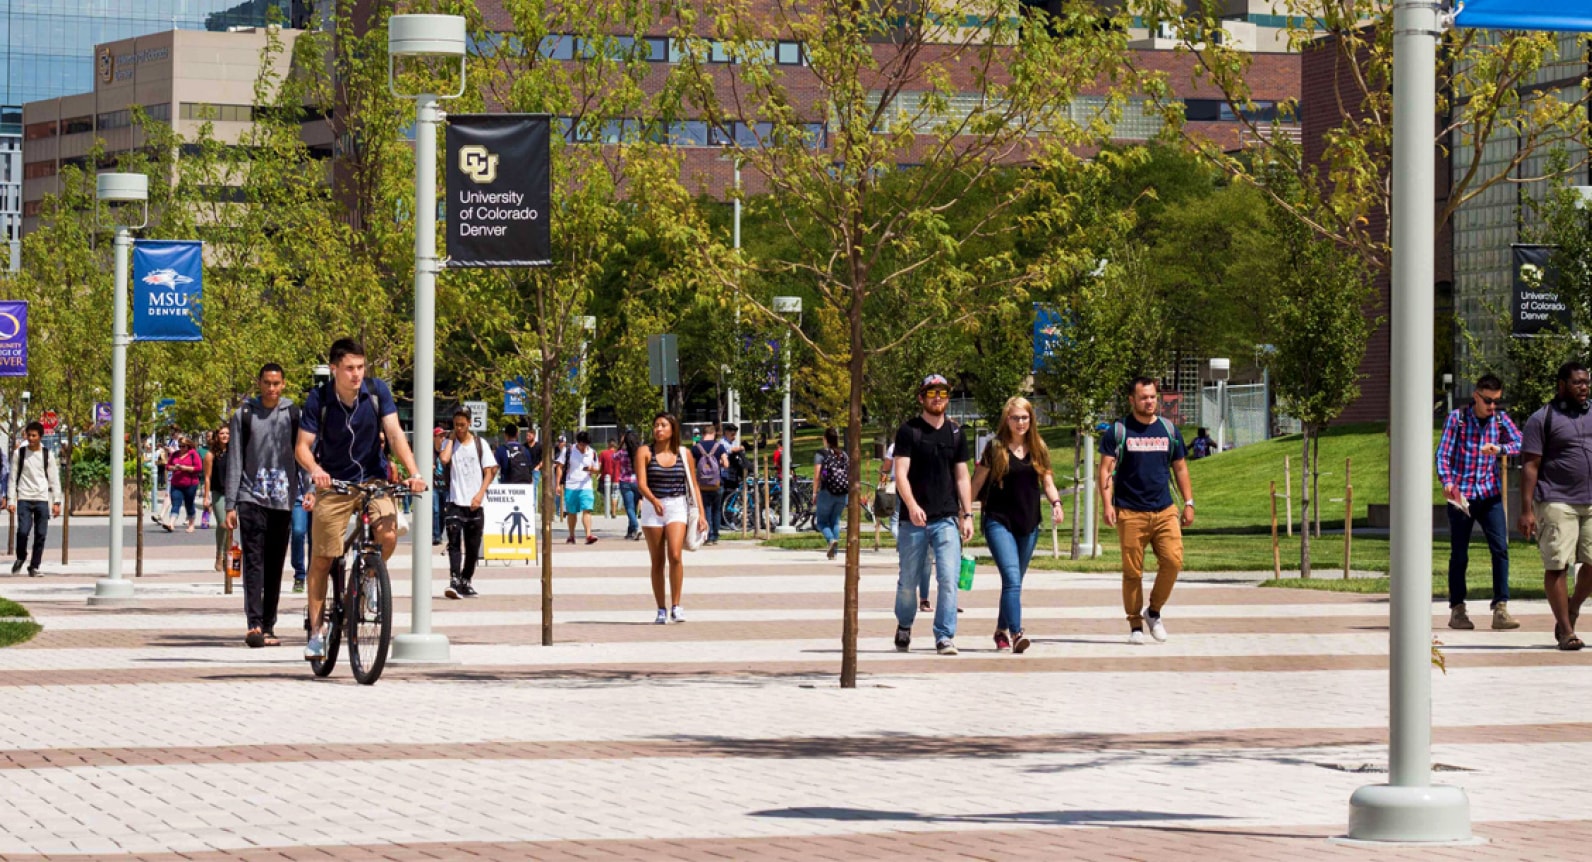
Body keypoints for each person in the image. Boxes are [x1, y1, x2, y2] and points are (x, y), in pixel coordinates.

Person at [296, 338, 426, 660]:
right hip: (334, 483)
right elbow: (302, 447)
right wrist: (315, 470)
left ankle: (368, 578)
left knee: (389, 533)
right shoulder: (319, 399)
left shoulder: (377, 392)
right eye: (350, 368)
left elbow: (395, 435)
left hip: (373, 478)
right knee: (323, 558)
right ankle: (316, 631)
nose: (357, 374)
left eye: (361, 367)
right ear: (334, 369)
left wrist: (415, 473)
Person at [1099, 376, 1195, 645]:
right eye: (1144, 397)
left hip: (1164, 510)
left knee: (1173, 561)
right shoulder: (1119, 431)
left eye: (1153, 397)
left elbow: (1180, 468)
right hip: (1130, 512)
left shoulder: (1168, 430)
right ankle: (1135, 625)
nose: (1150, 401)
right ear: (1132, 400)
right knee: (1133, 572)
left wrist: (1189, 502)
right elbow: (1105, 471)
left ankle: (1153, 611)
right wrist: (1107, 505)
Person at [971, 396, 1065, 653]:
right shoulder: (995, 448)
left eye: (1024, 417)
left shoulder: (1038, 448)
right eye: (1015, 418)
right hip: (998, 521)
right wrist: (963, 514)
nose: (1020, 422)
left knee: (1014, 582)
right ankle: (1016, 633)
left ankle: (1001, 630)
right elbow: (977, 484)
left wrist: (1056, 503)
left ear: (1030, 419)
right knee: (1012, 578)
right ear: (1007, 420)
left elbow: (1047, 482)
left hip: (1029, 522)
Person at [891, 374, 973, 656]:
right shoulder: (909, 431)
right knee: (908, 583)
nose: (937, 397)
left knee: (948, 579)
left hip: (946, 518)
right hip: (912, 521)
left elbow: (962, 477)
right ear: (921, 397)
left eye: (942, 392)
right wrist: (912, 505)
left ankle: (944, 636)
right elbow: (900, 473)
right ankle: (904, 624)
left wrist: (968, 513)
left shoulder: (956, 433)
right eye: (931, 392)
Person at [1437, 372, 1522, 631]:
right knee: (1459, 554)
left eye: (1496, 401)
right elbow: (1442, 455)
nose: (1492, 406)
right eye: (1488, 400)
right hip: (1462, 497)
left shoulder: (1499, 420)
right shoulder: (1458, 419)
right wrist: (1448, 483)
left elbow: (1521, 442)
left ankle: (1501, 609)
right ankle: (1458, 609)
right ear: (1476, 396)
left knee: (1500, 549)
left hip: (1489, 494)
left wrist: (1501, 449)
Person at [225, 364, 300, 648]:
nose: (271, 388)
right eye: (267, 383)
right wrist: (230, 504)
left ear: (283, 384)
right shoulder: (244, 414)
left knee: (275, 564)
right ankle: (254, 624)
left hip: (282, 500)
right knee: (254, 563)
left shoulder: (293, 414)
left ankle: (269, 624)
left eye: (276, 383)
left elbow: (301, 453)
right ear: (259, 383)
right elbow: (235, 459)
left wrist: (308, 490)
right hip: (250, 497)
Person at [1519, 361, 1592, 651]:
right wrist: (1526, 510)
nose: (1584, 387)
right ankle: (1565, 630)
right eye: (1577, 382)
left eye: (1586, 381)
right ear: (1562, 385)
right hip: (1556, 501)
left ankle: (1572, 608)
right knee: (1558, 565)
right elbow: (1530, 465)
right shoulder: (1542, 419)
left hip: (1590, 501)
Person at [636, 412, 707, 623]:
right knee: (657, 561)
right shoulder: (645, 452)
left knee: (675, 554)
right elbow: (641, 483)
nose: (658, 429)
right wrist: (654, 501)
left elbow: (694, 485)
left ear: (672, 429)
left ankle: (676, 605)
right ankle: (660, 608)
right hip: (652, 507)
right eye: (656, 425)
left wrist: (701, 514)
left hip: (677, 505)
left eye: (663, 425)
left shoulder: (684, 454)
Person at [440, 407, 497, 599]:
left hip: (475, 502)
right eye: (456, 425)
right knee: (454, 543)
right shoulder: (451, 442)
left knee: (473, 547)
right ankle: (454, 580)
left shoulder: (480, 444)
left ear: (470, 423)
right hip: (455, 501)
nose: (459, 429)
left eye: (463, 425)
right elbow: (444, 459)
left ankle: (466, 580)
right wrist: (450, 438)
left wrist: (480, 494)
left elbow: (490, 471)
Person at [8, 422, 61, 577]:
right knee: (23, 531)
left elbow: (54, 479)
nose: (30, 438)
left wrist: (56, 501)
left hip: (42, 499)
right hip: (24, 497)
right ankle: (21, 556)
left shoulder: (47, 454)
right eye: (28, 435)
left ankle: (34, 566)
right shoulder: (20, 454)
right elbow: (12, 478)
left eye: (34, 435)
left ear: (40, 436)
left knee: (41, 534)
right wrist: (11, 500)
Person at [812, 427, 849, 560]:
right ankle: (834, 552)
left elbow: (817, 475)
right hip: (843, 492)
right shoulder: (843, 455)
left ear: (825, 439)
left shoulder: (821, 454)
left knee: (821, 522)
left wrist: (814, 493)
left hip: (827, 491)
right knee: (835, 522)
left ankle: (830, 540)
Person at [557, 431, 600, 544]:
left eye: (586, 444)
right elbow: (560, 467)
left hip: (586, 485)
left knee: (587, 510)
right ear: (578, 442)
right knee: (572, 512)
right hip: (571, 485)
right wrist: (557, 484)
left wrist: (591, 469)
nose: (584, 447)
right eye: (582, 444)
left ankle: (588, 535)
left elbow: (597, 469)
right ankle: (571, 535)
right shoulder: (568, 450)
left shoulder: (592, 453)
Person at [692, 423, 728, 545]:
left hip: (702, 483)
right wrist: (719, 465)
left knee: (705, 508)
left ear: (702, 434)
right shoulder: (719, 447)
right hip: (717, 483)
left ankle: (707, 535)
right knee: (716, 509)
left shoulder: (697, 448)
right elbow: (726, 464)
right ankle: (715, 535)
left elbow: (692, 465)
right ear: (713, 434)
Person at [204, 424, 232, 572]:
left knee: (231, 525)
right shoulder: (211, 455)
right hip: (218, 493)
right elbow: (207, 478)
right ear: (217, 436)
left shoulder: (235, 453)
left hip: (234, 494)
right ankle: (219, 555)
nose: (225, 436)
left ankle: (229, 555)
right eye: (222, 433)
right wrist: (206, 497)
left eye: (227, 433)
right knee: (223, 524)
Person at [165, 437, 204, 532]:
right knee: (176, 503)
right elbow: (167, 466)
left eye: (183, 446)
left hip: (190, 484)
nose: (181, 448)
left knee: (189, 504)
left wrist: (184, 468)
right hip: (176, 483)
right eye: (180, 446)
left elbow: (198, 468)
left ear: (188, 446)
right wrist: (174, 468)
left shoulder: (193, 454)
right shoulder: (175, 454)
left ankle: (191, 524)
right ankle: (171, 523)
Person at [616, 430, 641, 540]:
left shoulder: (622, 453)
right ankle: (630, 531)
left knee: (629, 508)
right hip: (637, 481)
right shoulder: (639, 453)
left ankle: (635, 527)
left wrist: (621, 444)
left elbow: (613, 456)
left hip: (625, 481)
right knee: (634, 507)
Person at [597, 438, 619, 517]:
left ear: (608, 444)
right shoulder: (618, 454)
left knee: (605, 495)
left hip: (605, 478)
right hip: (616, 478)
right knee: (615, 495)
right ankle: (614, 512)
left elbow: (599, 465)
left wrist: (597, 473)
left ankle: (607, 510)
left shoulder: (603, 453)